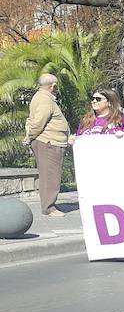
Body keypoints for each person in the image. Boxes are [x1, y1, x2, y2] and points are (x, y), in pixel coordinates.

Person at [23, 72, 70, 216]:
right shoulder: (44, 100)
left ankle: (49, 205)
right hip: (48, 143)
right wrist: (30, 136)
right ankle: (49, 207)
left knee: (50, 174)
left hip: (50, 142)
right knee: (50, 175)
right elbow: (37, 122)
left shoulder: (42, 97)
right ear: (53, 86)